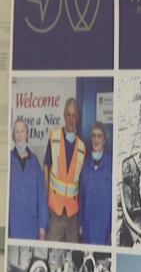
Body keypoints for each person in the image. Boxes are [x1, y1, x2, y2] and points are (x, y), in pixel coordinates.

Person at [44, 97, 87, 243]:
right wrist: (46, 198)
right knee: (53, 247)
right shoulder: (53, 138)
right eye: (68, 115)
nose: (71, 119)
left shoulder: (82, 147)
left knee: (72, 249)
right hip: (55, 209)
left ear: (78, 118)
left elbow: (82, 181)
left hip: (72, 213)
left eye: (74, 115)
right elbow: (46, 167)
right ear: (64, 116)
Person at [8, 119, 47, 240]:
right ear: (13, 136)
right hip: (13, 227)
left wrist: (42, 226)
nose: (20, 135)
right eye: (17, 132)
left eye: (22, 131)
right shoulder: (9, 160)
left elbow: (41, 196)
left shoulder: (34, 161)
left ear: (27, 134)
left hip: (32, 227)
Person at [79, 121, 113, 245]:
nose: (96, 139)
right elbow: (82, 197)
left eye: (99, 136)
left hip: (104, 229)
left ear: (104, 140)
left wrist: (112, 228)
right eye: (94, 135)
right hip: (88, 228)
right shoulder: (86, 164)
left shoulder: (111, 165)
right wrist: (81, 223)